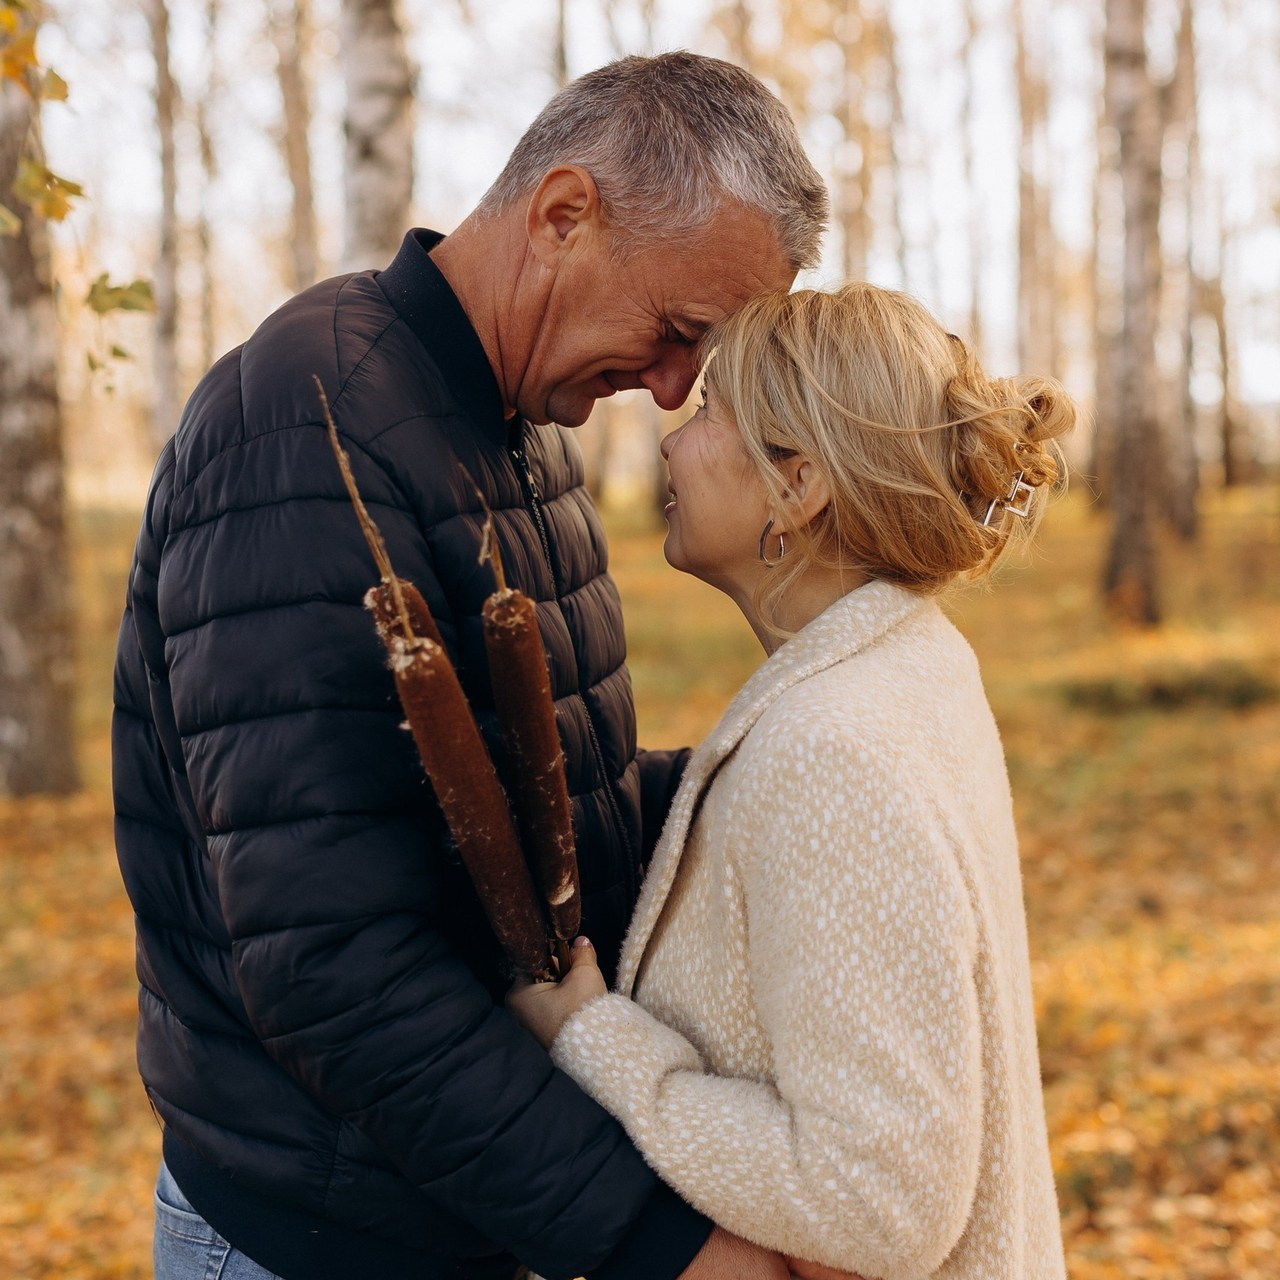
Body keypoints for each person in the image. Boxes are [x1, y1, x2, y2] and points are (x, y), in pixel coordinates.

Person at [112, 52, 827, 1280]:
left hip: (465, 1211)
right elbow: (331, 960)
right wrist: (660, 1243)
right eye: (675, 332)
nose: (669, 389)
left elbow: (555, 802)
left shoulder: (517, 432)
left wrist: (810, 779)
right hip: (325, 1238)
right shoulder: (307, 430)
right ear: (561, 215)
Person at [509, 283, 1075, 1279]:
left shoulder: (832, 744)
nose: (671, 436)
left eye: (709, 411)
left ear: (799, 483)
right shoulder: (908, 660)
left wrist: (596, 1037)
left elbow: (877, 1197)